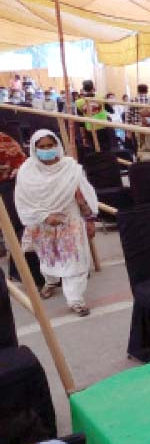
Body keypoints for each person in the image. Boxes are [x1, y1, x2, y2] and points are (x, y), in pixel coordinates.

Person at [15, 130, 98, 317]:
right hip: (42, 225)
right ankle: (51, 281)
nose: (46, 150)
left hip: (70, 221)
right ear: (34, 149)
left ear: (57, 145)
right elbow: (22, 202)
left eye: (50, 146)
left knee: (76, 260)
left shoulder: (70, 168)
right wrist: (45, 217)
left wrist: (90, 219)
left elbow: (82, 194)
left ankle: (76, 300)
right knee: (48, 256)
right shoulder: (27, 172)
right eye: (41, 147)